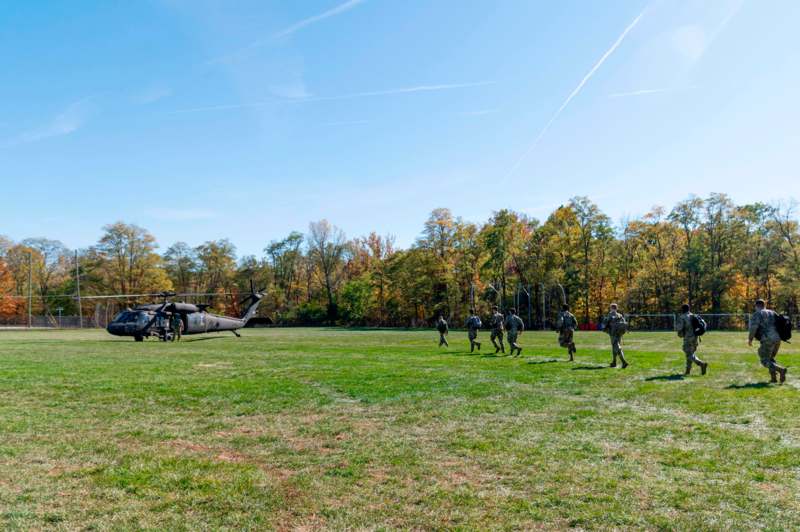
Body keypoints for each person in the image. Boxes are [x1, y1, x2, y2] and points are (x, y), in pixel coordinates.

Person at [748, 299, 787, 383]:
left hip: (767, 339)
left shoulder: (757, 314)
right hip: (777, 338)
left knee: (764, 360)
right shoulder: (772, 312)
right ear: (764, 305)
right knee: (770, 358)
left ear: (756, 306)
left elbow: (753, 327)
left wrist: (750, 339)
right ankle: (774, 379)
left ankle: (781, 370)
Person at [675, 303, 707, 375]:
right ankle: (687, 371)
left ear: (683, 309)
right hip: (696, 337)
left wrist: (677, 327)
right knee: (690, 354)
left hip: (688, 337)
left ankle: (701, 364)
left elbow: (679, 327)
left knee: (688, 353)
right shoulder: (693, 316)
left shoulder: (683, 317)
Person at [602, 303, 629, 368]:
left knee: (617, 347)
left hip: (613, 333)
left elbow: (605, 323)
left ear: (611, 308)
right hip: (619, 333)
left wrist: (604, 328)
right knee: (614, 347)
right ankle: (614, 362)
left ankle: (624, 362)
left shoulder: (610, 314)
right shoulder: (620, 315)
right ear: (616, 308)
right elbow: (624, 323)